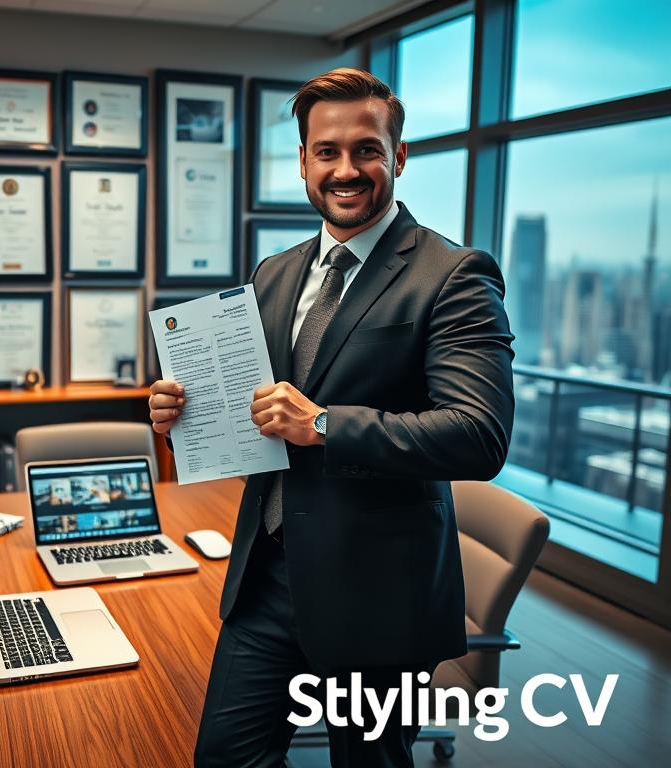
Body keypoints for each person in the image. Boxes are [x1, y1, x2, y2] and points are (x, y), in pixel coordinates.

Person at [148, 68, 514, 767]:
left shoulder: (454, 275)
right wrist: (181, 413)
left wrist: (322, 425)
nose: (346, 169)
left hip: (379, 593)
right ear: (304, 162)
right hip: (266, 576)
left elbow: (479, 435)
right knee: (225, 758)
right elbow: (253, 409)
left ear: (398, 156)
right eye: (327, 151)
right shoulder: (274, 273)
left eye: (367, 149)